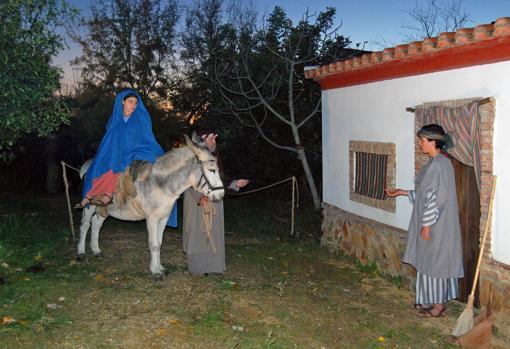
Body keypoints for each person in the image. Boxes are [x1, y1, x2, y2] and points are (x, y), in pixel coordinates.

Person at [385, 124, 463, 317]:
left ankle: (438, 307)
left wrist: (427, 225)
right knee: (428, 263)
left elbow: (437, 199)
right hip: (432, 223)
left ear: (433, 142)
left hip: (437, 225)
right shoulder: (434, 164)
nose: (420, 143)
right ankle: (427, 301)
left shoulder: (441, 165)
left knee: (435, 264)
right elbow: (424, 194)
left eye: (422, 140)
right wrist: (402, 192)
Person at [77, 89, 177, 226]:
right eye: (130, 102)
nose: (133, 105)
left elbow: (146, 138)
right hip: (115, 152)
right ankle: (94, 196)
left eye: (135, 103)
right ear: (122, 102)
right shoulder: (114, 119)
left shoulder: (140, 118)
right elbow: (110, 140)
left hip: (137, 151)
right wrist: (112, 152)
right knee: (104, 164)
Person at [182, 132, 249, 275]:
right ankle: (198, 269)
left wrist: (234, 183)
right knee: (197, 235)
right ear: (202, 140)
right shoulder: (192, 157)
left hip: (214, 200)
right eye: (211, 138)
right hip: (197, 203)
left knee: (213, 233)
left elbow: (219, 180)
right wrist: (199, 196)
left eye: (215, 139)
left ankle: (212, 268)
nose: (214, 141)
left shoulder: (214, 158)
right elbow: (187, 179)